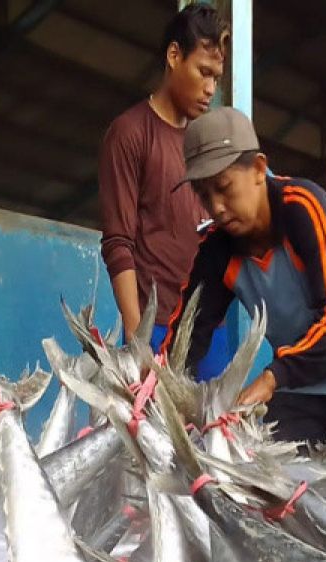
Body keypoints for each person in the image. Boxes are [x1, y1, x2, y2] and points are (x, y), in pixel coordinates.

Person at [163, 107, 326, 459]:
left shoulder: (306, 207)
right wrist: (160, 388)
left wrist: (270, 379)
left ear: (257, 169)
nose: (217, 208)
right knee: (273, 483)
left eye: (224, 188)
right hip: (303, 373)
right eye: (204, 196)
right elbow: (187, 335)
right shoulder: (217, 250)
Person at [98, 3, 231, 379]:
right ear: (174, 56)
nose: (210, 88)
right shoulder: (129, 133)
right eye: (203, 72)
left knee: (211, 437)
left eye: (216, 77)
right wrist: (137, 339)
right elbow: (118, 242)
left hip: (210, 328)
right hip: (156, 329)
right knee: (157, 437)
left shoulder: (207, 143)